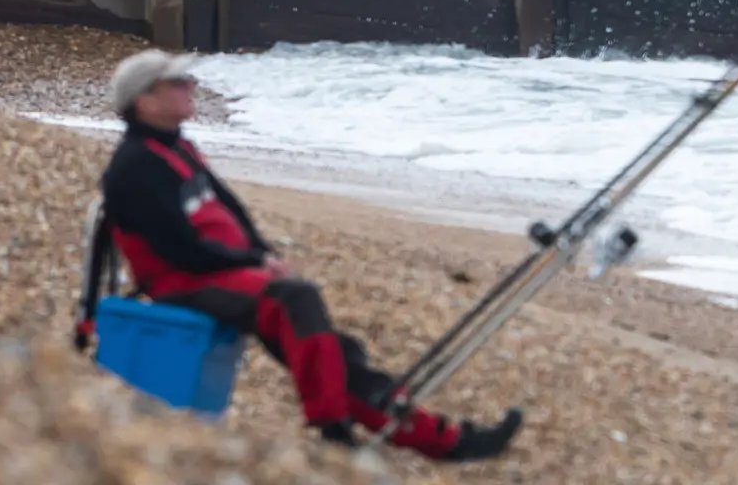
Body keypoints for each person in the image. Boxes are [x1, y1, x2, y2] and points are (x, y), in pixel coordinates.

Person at [97, 50, 521, 462]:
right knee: (295, 298)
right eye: (178, 82)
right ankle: (331, 426)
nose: (191, 86)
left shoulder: (178, 146)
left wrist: (263, 254)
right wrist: (251, 265)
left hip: (222, 273)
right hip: (183, 284)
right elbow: (178, 252)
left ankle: (443, 440)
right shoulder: (134, 167)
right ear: (146, 100)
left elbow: (232, 211)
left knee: (336, 351)